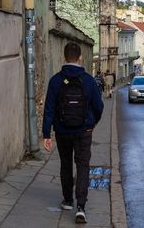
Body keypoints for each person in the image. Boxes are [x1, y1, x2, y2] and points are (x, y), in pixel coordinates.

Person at [42, 42, 104, 224]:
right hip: (84, 131)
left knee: (66, 164)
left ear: (64, 57)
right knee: (83, 166)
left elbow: (49, 109)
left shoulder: (55, 80)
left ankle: (68, 200)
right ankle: (81, 207)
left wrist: (46, 134)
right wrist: (92, 123)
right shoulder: (88, 80)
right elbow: (99, 106)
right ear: (80, 57)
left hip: (62, 131)